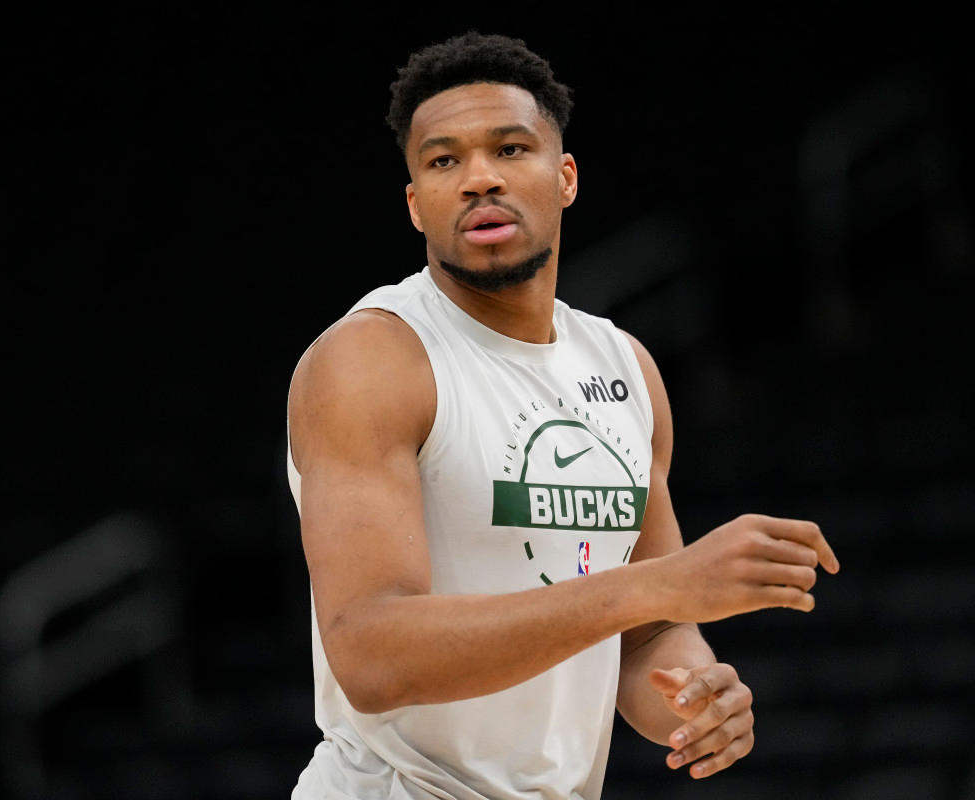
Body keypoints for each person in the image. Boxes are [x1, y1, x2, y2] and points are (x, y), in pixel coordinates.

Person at [284, 31, 839, 800]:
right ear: (416, 203)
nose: (479, 179)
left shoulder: (624, 366)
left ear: (565, 176)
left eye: (510, 149)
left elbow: (649, 636)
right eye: (444, 161)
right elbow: (373, 656)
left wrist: (701, 693)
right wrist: (657, 588)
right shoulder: (373, 360)